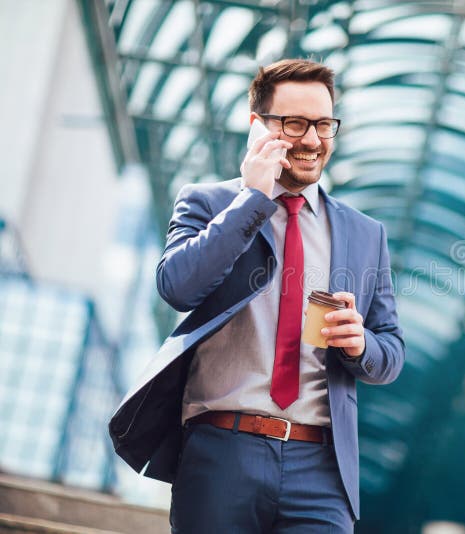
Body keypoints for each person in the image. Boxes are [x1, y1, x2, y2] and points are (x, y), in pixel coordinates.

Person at [108, 59, 405, 533]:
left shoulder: (365, 234)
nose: (311, 139)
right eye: (294, 123)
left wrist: (361, 344)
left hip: (322, 468)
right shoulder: (207, 203)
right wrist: (251, 200)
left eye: (324, 124)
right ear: (258, 127)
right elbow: (177, 288)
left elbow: (392, 349)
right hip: (223, 451)